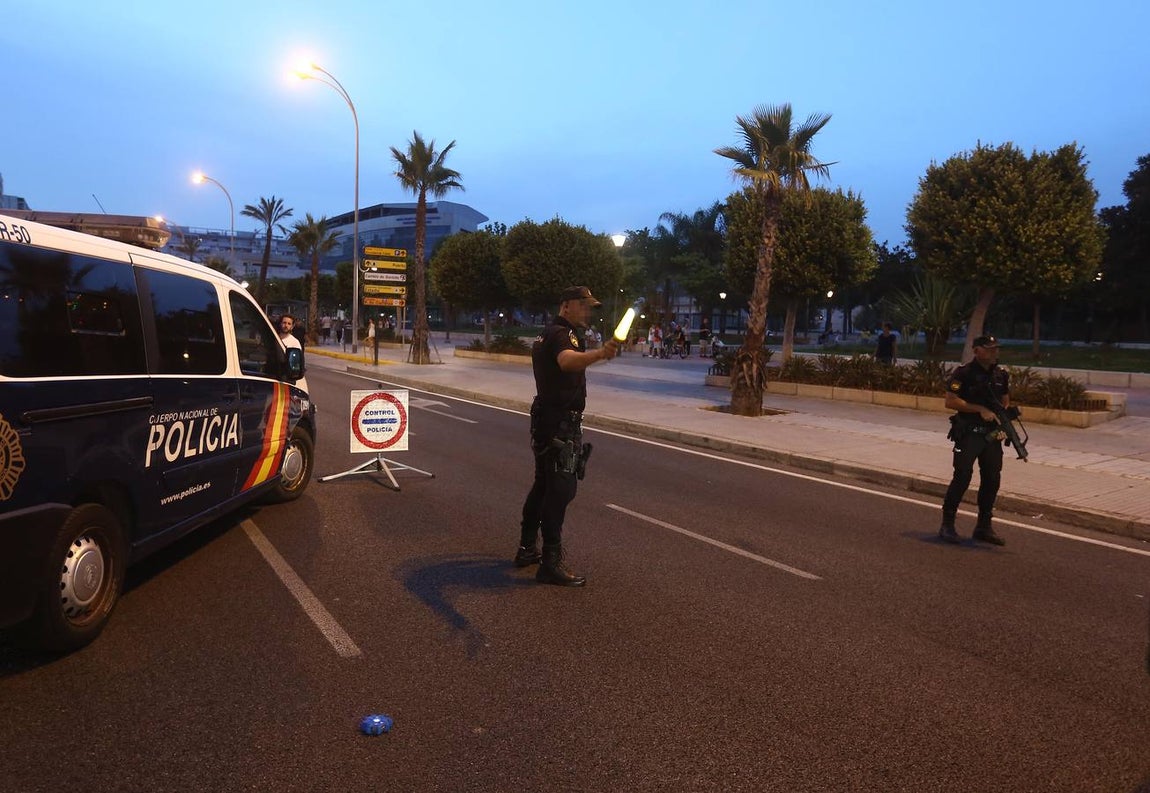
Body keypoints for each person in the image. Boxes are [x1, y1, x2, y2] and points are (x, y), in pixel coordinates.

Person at [516, 285, 619, 586]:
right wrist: (600, 354)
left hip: (549, 420)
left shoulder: (548, 332)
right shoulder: (562, 334)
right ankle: (550, 561)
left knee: (543, 485)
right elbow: (566, 361)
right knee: (560, 491)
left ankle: (526, 548)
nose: (588, 311)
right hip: (559, 422)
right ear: (566, 306)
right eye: (584, 305)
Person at [938, 335, 1010, 546]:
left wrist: (1001, 416)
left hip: (992, 436)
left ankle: (983, 526)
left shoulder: (1001, 374)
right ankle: (947, 524)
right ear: (976, 350)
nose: (994, 352)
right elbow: (950, 401)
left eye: (996, 348)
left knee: (992, 479)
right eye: (989, 349)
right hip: (969, 433)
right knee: (962, 477)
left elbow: (1006, 399)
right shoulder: (964, 373)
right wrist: (979, 409)